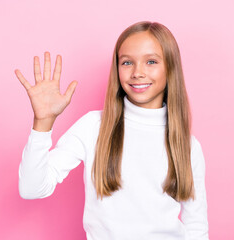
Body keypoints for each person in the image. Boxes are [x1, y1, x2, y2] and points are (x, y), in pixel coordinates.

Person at [15, 21, 209, 240]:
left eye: (151, 61)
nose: (138, 72)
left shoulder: (188, 146)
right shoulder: (93, 126)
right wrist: (42, 123)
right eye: (127, 62)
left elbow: (196, 227)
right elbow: (31, 188)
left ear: (170, 68)